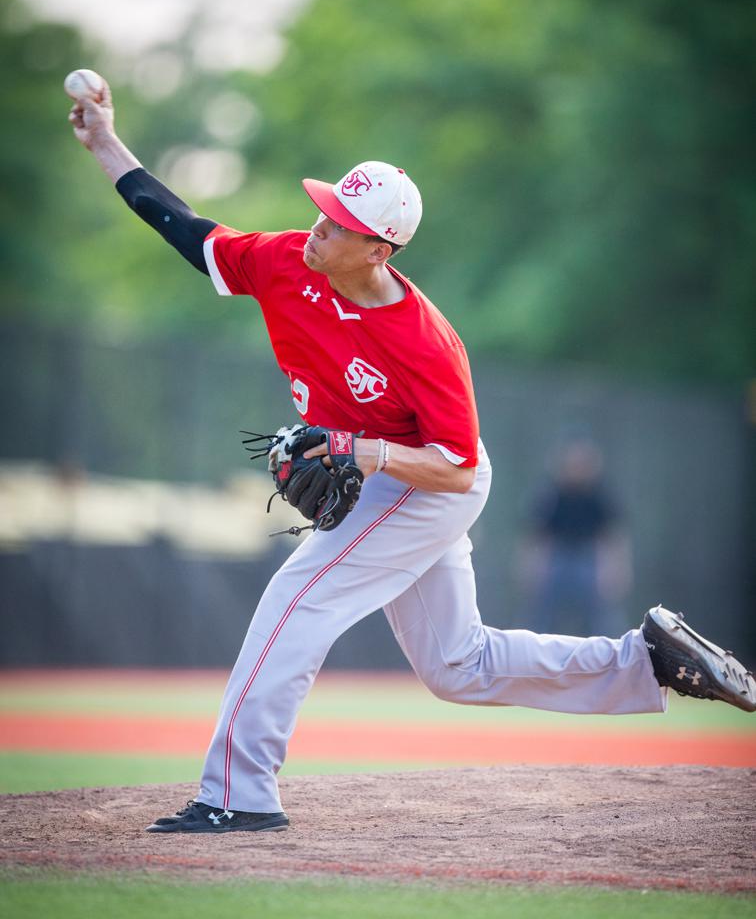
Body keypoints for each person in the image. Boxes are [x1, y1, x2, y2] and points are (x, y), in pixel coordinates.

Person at [68, 79, 756, 834]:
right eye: (322, 212)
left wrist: (358, 450)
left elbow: (457, 468)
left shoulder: (424, 341)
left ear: (377, 247)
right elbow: (186, 229)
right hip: (386, 471)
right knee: (458, 666)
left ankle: (238, 793)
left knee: (297, 601)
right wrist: (105, 140)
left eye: (338, 224)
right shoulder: (286, 263)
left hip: (428, 478)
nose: (316, 229)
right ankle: (646, 660)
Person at [520, 436, 632, 637]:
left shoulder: (600, 494)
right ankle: (528, 654)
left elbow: (611, 536)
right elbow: (538, 535)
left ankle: (613, 656)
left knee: (603, 617)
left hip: (589, 558)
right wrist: (533, 566)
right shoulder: (552, 493)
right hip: (557, 557)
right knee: (539, 615)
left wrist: (615, 568)